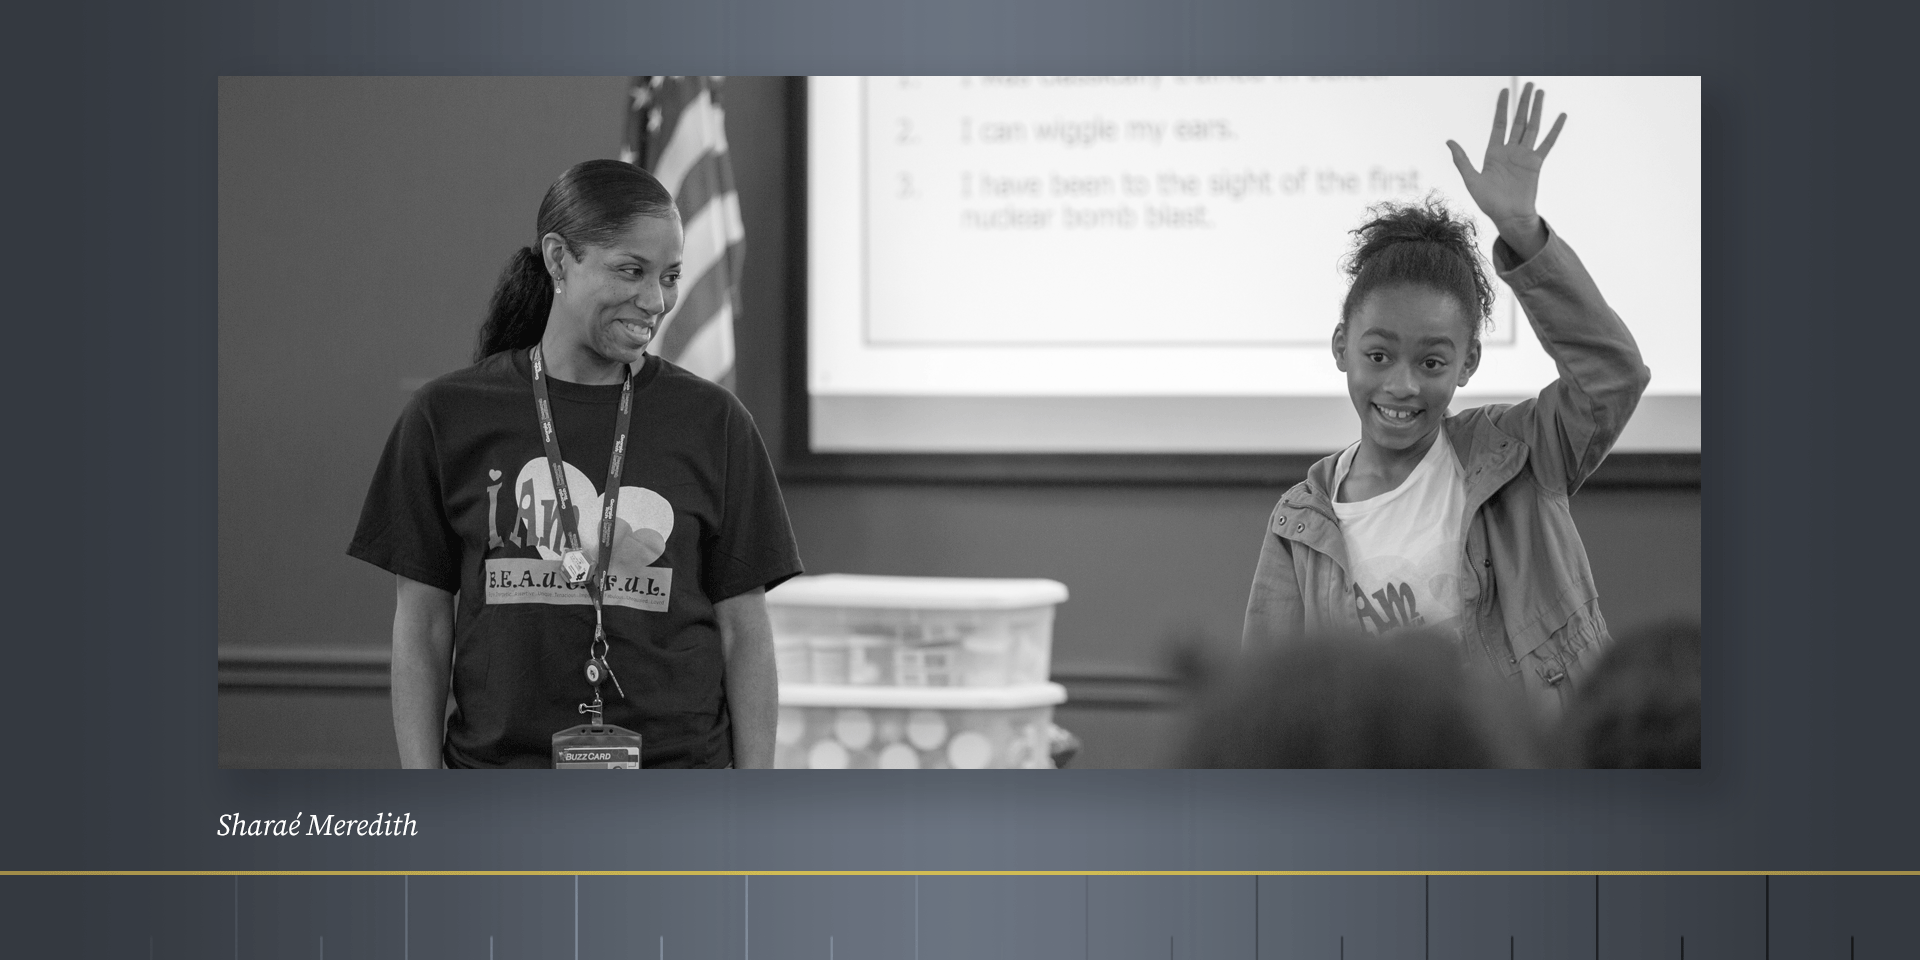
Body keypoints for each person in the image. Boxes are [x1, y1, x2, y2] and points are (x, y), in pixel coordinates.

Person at [349, 159, 803, 768]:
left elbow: (744, 633)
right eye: (631, 271)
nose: (657, 301)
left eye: (670, 276)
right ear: (559, 260)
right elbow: (423, 628)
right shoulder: (446, 417)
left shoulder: (714, 422)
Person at [1242, 84, 1651, 715]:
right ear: (1341, 346)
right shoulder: (1300, 523)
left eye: (1431, 361)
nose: (1402, 385)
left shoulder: (1522, 456)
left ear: (1468, 363)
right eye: (1378, 355)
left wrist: (1525, 235)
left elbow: (1613, 375)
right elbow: (1267, 703)